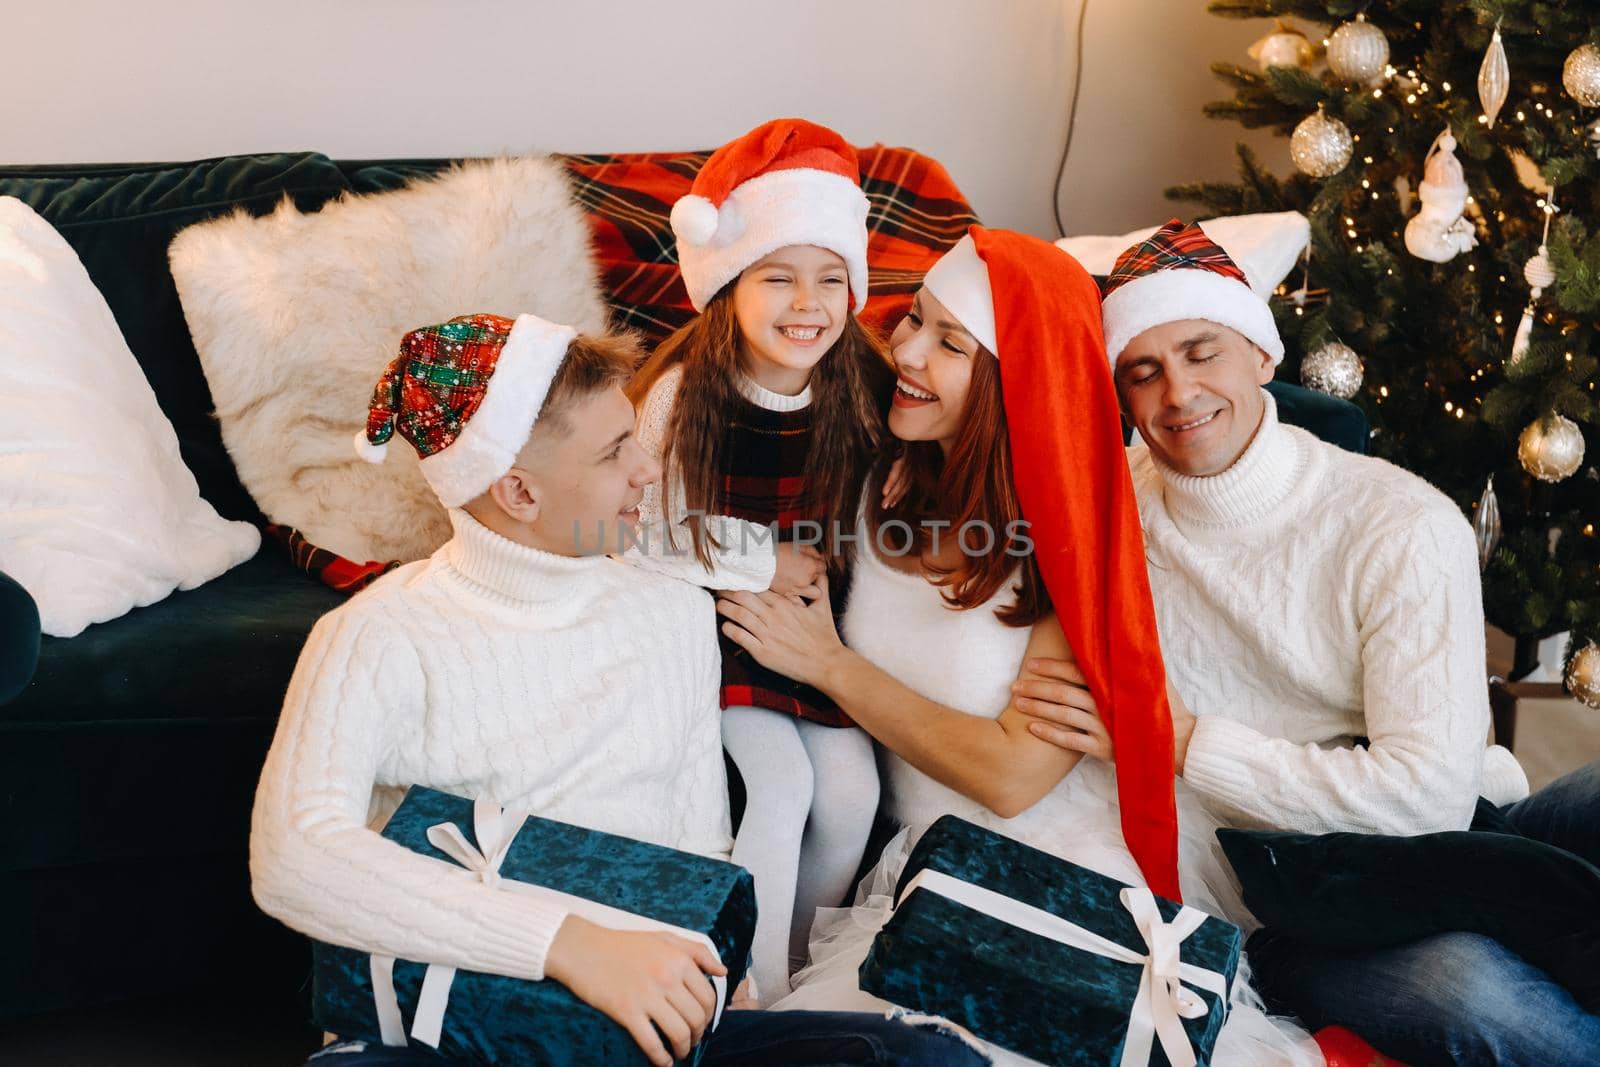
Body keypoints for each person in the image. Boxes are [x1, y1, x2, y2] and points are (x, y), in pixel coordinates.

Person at [250, 313, 983, 1067]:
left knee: (925, 1060)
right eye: (613, 452)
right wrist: (566, 946)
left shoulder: (667, 608)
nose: (648, 470)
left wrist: (714, 957)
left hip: (648, 1031)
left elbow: (695, 837)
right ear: (519, 492)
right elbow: (292, 854)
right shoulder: (377, 635)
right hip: (454, 1033)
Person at [714, 229, 1320, 1066]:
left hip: (1041, 860)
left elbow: (1010, 775)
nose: (909, 352)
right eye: (914, 320)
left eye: (949, 342)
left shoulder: (1064, 542)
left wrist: (828, 665)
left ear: (1011, 385)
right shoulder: (880, 471)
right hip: (914, 858)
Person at [1020, 218, 1600, 1066]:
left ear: (1261, 352)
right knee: (1474, 996)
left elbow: (1429, 802)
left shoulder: (1398, 523)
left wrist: (1182, 742)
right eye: (1142, 372)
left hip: (1431, 831)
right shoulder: (1106, 513)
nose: (1177, 393)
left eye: (1201, 350)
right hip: (1274, 903)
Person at [625, 118, 894, 1001]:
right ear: (729, 285)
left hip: (807, 634)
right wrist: (761, 561)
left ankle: (808, 971)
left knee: (850, 793)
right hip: (714, 625)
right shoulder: (681, 392)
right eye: (778, 277)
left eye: (829, 279)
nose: (806, 303)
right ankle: (752, 989)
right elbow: (643, 530)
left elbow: (872, 506)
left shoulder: (857, 386)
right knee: (777, 784)